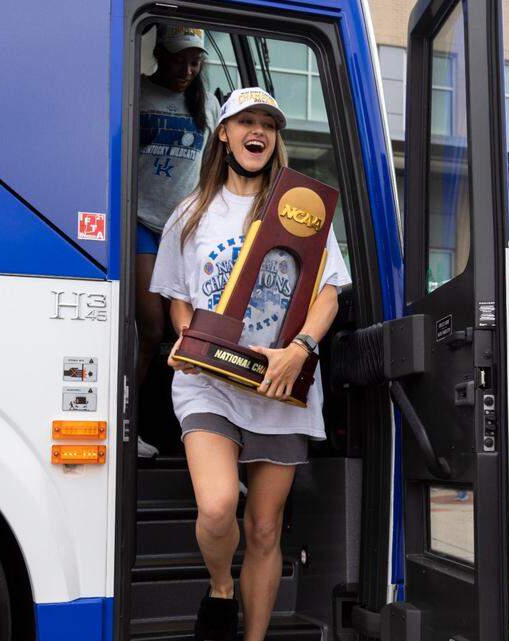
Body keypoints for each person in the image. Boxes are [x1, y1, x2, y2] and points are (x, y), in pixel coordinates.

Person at [149, 87, 351, 641]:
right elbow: (177, 297)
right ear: (224, 133)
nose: (257, 130)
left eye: (268, 123)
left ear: (274, 139)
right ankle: (220, 589)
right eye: (245, 121)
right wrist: (187, 337)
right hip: (208, 384)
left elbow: (328, 293)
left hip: (278, 384)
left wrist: (301, 348)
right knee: (217, 508)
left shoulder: (302, 212)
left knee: (264, 529)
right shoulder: (189, 215)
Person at [135, 25, 220, 458]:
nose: (187, 68)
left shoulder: (206, 104)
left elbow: (212, 171)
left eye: (195, 60)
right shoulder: (137, 92)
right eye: (179, 58)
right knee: (150, 328)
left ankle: (207, 439)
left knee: (195, 332)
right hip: (139, 221)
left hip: (182, 228)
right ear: (161, 55)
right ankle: (126, 425)